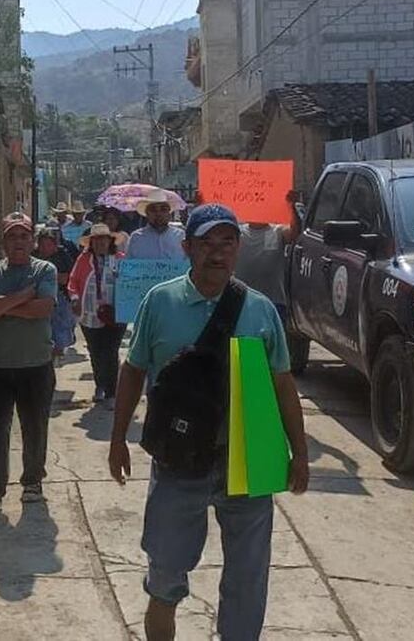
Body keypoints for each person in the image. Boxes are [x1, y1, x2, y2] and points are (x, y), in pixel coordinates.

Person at [108, 204, 310, 640]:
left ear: (238, 248)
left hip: (248, 460)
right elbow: (133, 370)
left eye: (227, 242)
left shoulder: (259, 310)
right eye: (206, 243)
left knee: (248, 582)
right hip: (178, 462)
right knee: (164, 579)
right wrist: (117, 438)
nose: (216, 253)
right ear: (187, 248)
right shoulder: (159, 302)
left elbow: (282, 385)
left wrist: (300, 453)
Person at [0, 213, 59, 511]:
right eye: (12, 236)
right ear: (4, 243)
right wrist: (23, 296)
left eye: (24, 236)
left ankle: (33, 481)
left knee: (34, 427)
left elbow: (44, 308)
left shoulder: (45, 270)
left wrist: (3, 307)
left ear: (33, 242)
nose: (19, 241)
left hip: (36, 363)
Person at [68, 223, 127, 403]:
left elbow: (131, 284)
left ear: (110, 241)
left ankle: (111, 391)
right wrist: (75, 299)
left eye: (104, 239)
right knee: (96, 351)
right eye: (97, 240)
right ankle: (100, 384)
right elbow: (73, 282)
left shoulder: (121, 258)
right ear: (91, 243)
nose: (101, 243)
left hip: (116, 314)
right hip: (90, 314)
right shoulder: (83, 260)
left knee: (110, 351)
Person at [234, 190, 302, 325]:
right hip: (243, 302)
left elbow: (295, 233)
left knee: (272, 343)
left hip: (273, 302)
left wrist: (291, 206)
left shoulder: (277, 231)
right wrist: (202, 203)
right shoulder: (237, 232)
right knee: (248, 343)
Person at [34, 226, 77, 361]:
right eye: (42, 244)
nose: (45, 248)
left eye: (49, 244)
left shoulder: (62, 255)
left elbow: (69, 277)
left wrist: (48, 278)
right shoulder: (33, 257)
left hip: (60, 299)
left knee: (59, 334)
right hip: (37, 298)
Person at [127, 190, 186, 260]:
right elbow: (130, 266)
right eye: (153, 210)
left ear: (169, 213)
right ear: (147, 214)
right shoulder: (136, 238)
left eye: (163, 209)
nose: (158, 214)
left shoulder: (180, 236)